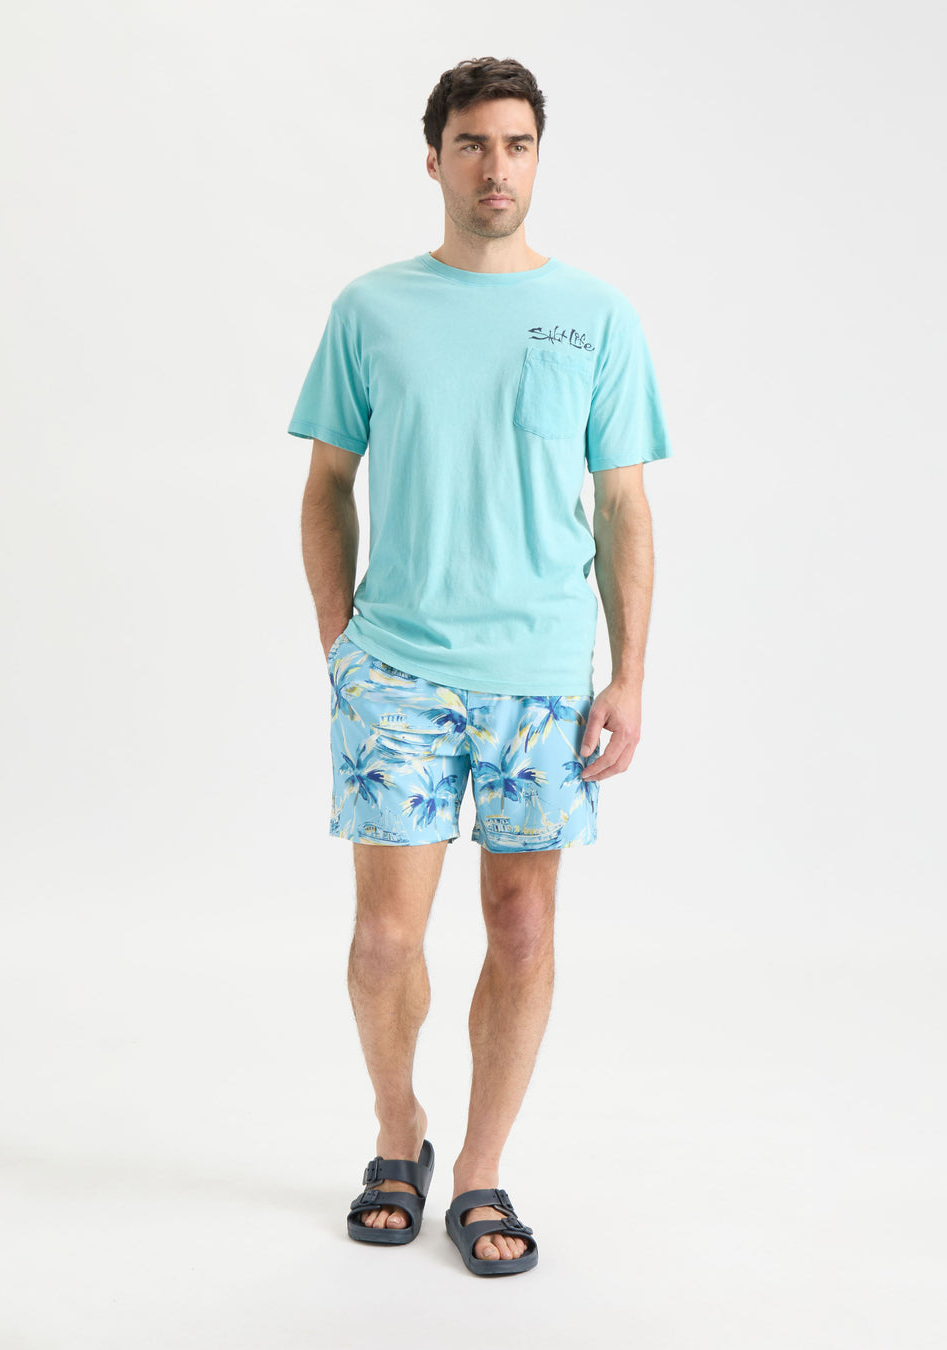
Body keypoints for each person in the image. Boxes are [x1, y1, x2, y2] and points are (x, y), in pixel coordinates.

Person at [288, 56, 671, 1277]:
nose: (495, 166)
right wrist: (341, 644)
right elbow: (327, 485)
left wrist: (629, 674)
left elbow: (623, 505)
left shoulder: (595, 314)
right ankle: (395, 1127)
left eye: (516, 144)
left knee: (522, 927)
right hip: (396, 669)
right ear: (435, 158)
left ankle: (481, 1169)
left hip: (543, 677)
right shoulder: (372, 308)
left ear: (537, 158)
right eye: (471, 143)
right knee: (383, 940)